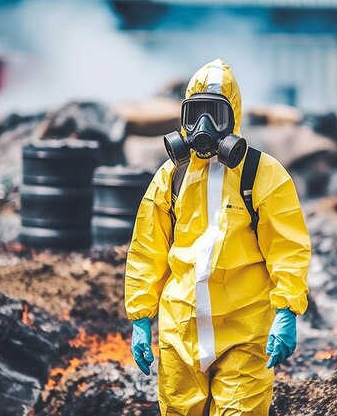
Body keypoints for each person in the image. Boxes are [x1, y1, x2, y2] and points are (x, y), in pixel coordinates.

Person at [124, 58, 311, 415]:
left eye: (215, 115)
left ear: (233, 117)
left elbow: (288, 247)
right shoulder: (171, 176)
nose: (203, 127)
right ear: (183, 119)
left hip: (245, 334)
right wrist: (139, 318)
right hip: (180, 333)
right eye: (195, 115)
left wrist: (287, 310)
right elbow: (147, 249)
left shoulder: (261, 173)